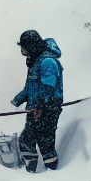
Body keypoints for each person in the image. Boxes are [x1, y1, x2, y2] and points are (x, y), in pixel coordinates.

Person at [12, 30, 63, 173]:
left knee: (45, 141)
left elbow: (49, 87)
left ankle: (53, 172)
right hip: (34, 108)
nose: (23, 52)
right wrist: (16, 101)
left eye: (24, 49)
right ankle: (31, 170)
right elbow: (30, 88)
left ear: (32, 46)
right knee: (27, 140)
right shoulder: (36, 61)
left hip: (47, 109)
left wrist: (41, 107)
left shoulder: (47, 62)